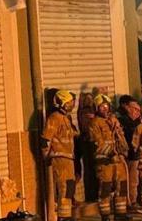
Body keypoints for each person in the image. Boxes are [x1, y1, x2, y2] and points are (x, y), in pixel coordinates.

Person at [89, 94, 130, 221]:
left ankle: (121, 214)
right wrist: (111, 152)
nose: (105, 109)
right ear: (97, 108)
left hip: (118, 161)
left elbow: (121, 140)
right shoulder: (94, 123)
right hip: (104, 162)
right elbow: (97, 143)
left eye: (106, 106)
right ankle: (105, 216)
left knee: (121, 188)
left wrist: (122, 146)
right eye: (101, 106)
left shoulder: (114, 121)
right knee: (105, 190)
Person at [41, 90, 78, 221]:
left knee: (69, 188)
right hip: (59, 159)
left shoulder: (66, 118)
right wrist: (46, 158)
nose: (71, 106)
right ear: (61, 103)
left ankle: (66, 215)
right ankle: (63, 217)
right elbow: (45, 140)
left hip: (68, 159)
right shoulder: (54, 118)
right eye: (68, 103)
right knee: (63, 189)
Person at [119, 96, 142, 211]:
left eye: (139, 110)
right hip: (125, 156)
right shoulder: (123, 121)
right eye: (135, 109)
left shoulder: (139, 122)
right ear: (128, 108)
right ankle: (126, 202)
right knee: (125, 181)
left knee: (134, 181)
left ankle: (132, 201)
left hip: (135, 156)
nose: (137, 112)